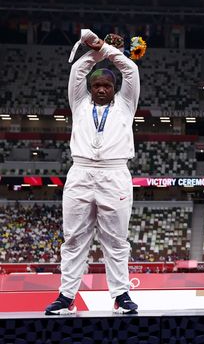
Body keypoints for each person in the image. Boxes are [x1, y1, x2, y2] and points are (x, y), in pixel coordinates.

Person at [45, 32, 140, 315]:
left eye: (106, 85)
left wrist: (107, 49)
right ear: (89, 88)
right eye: (96, 85)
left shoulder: (126, 104)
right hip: (81, 172)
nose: (100, 89)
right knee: (74, 238)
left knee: (116, 240)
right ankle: (66, 296)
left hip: (114, 173)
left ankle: (121, 295)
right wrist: (99, 50)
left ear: (115, 88)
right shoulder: (79, 103)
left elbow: (131, 69)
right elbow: (78, 69)